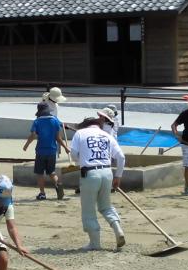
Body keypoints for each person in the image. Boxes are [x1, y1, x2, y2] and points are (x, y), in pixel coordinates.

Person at [69, 109, 126, 250]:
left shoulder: (80, 133)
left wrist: (82, 158)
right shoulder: (106, 135)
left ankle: (95, 243)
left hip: (90, 174)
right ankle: (118, 229)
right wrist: (118, 176)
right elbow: (121, 157)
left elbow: (74, 155)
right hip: (107, 172)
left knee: (88, 209)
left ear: (85, 125)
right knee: (106, 206)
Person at [23, 101, 67, 200]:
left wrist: (26, 145)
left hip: (41, 151)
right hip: (52, 151)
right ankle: (58, 186)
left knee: (40, 173)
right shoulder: (55, 120)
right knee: (51, 172)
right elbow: (58, 137)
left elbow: (33, 135)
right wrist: (65, 147)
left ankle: (42, 193)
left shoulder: (37, 121)